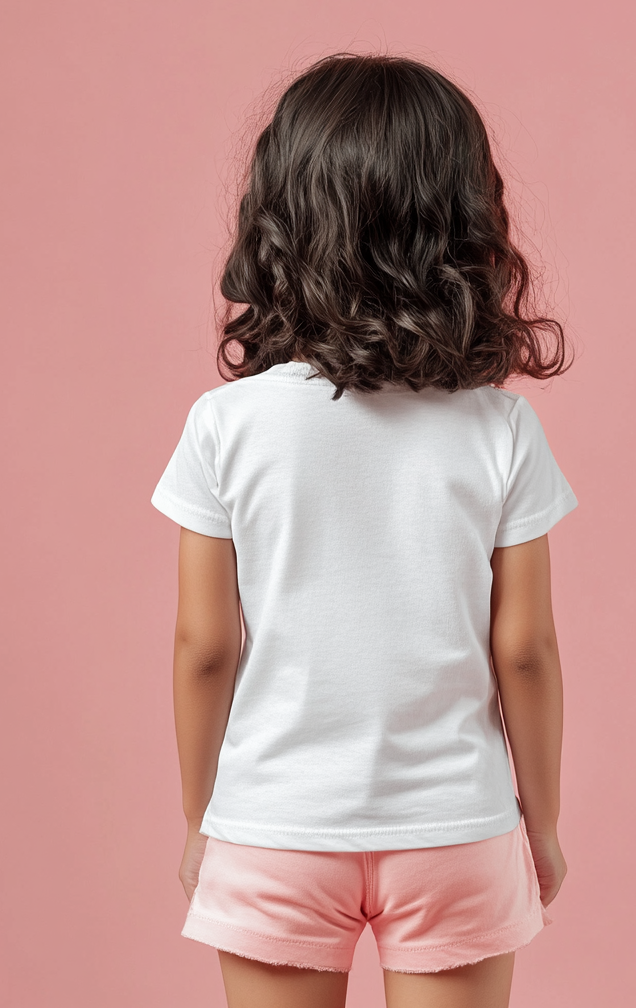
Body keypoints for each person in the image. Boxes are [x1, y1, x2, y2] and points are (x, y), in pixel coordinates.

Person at [151, 52, 577, 1008]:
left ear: (280, 217)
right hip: (455, 827)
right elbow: (527, 649)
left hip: (275, 828)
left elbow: (204, 648)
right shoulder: (500, 429)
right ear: (464, 223)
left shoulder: (225, 427)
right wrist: (539, 825)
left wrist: (201, 817)